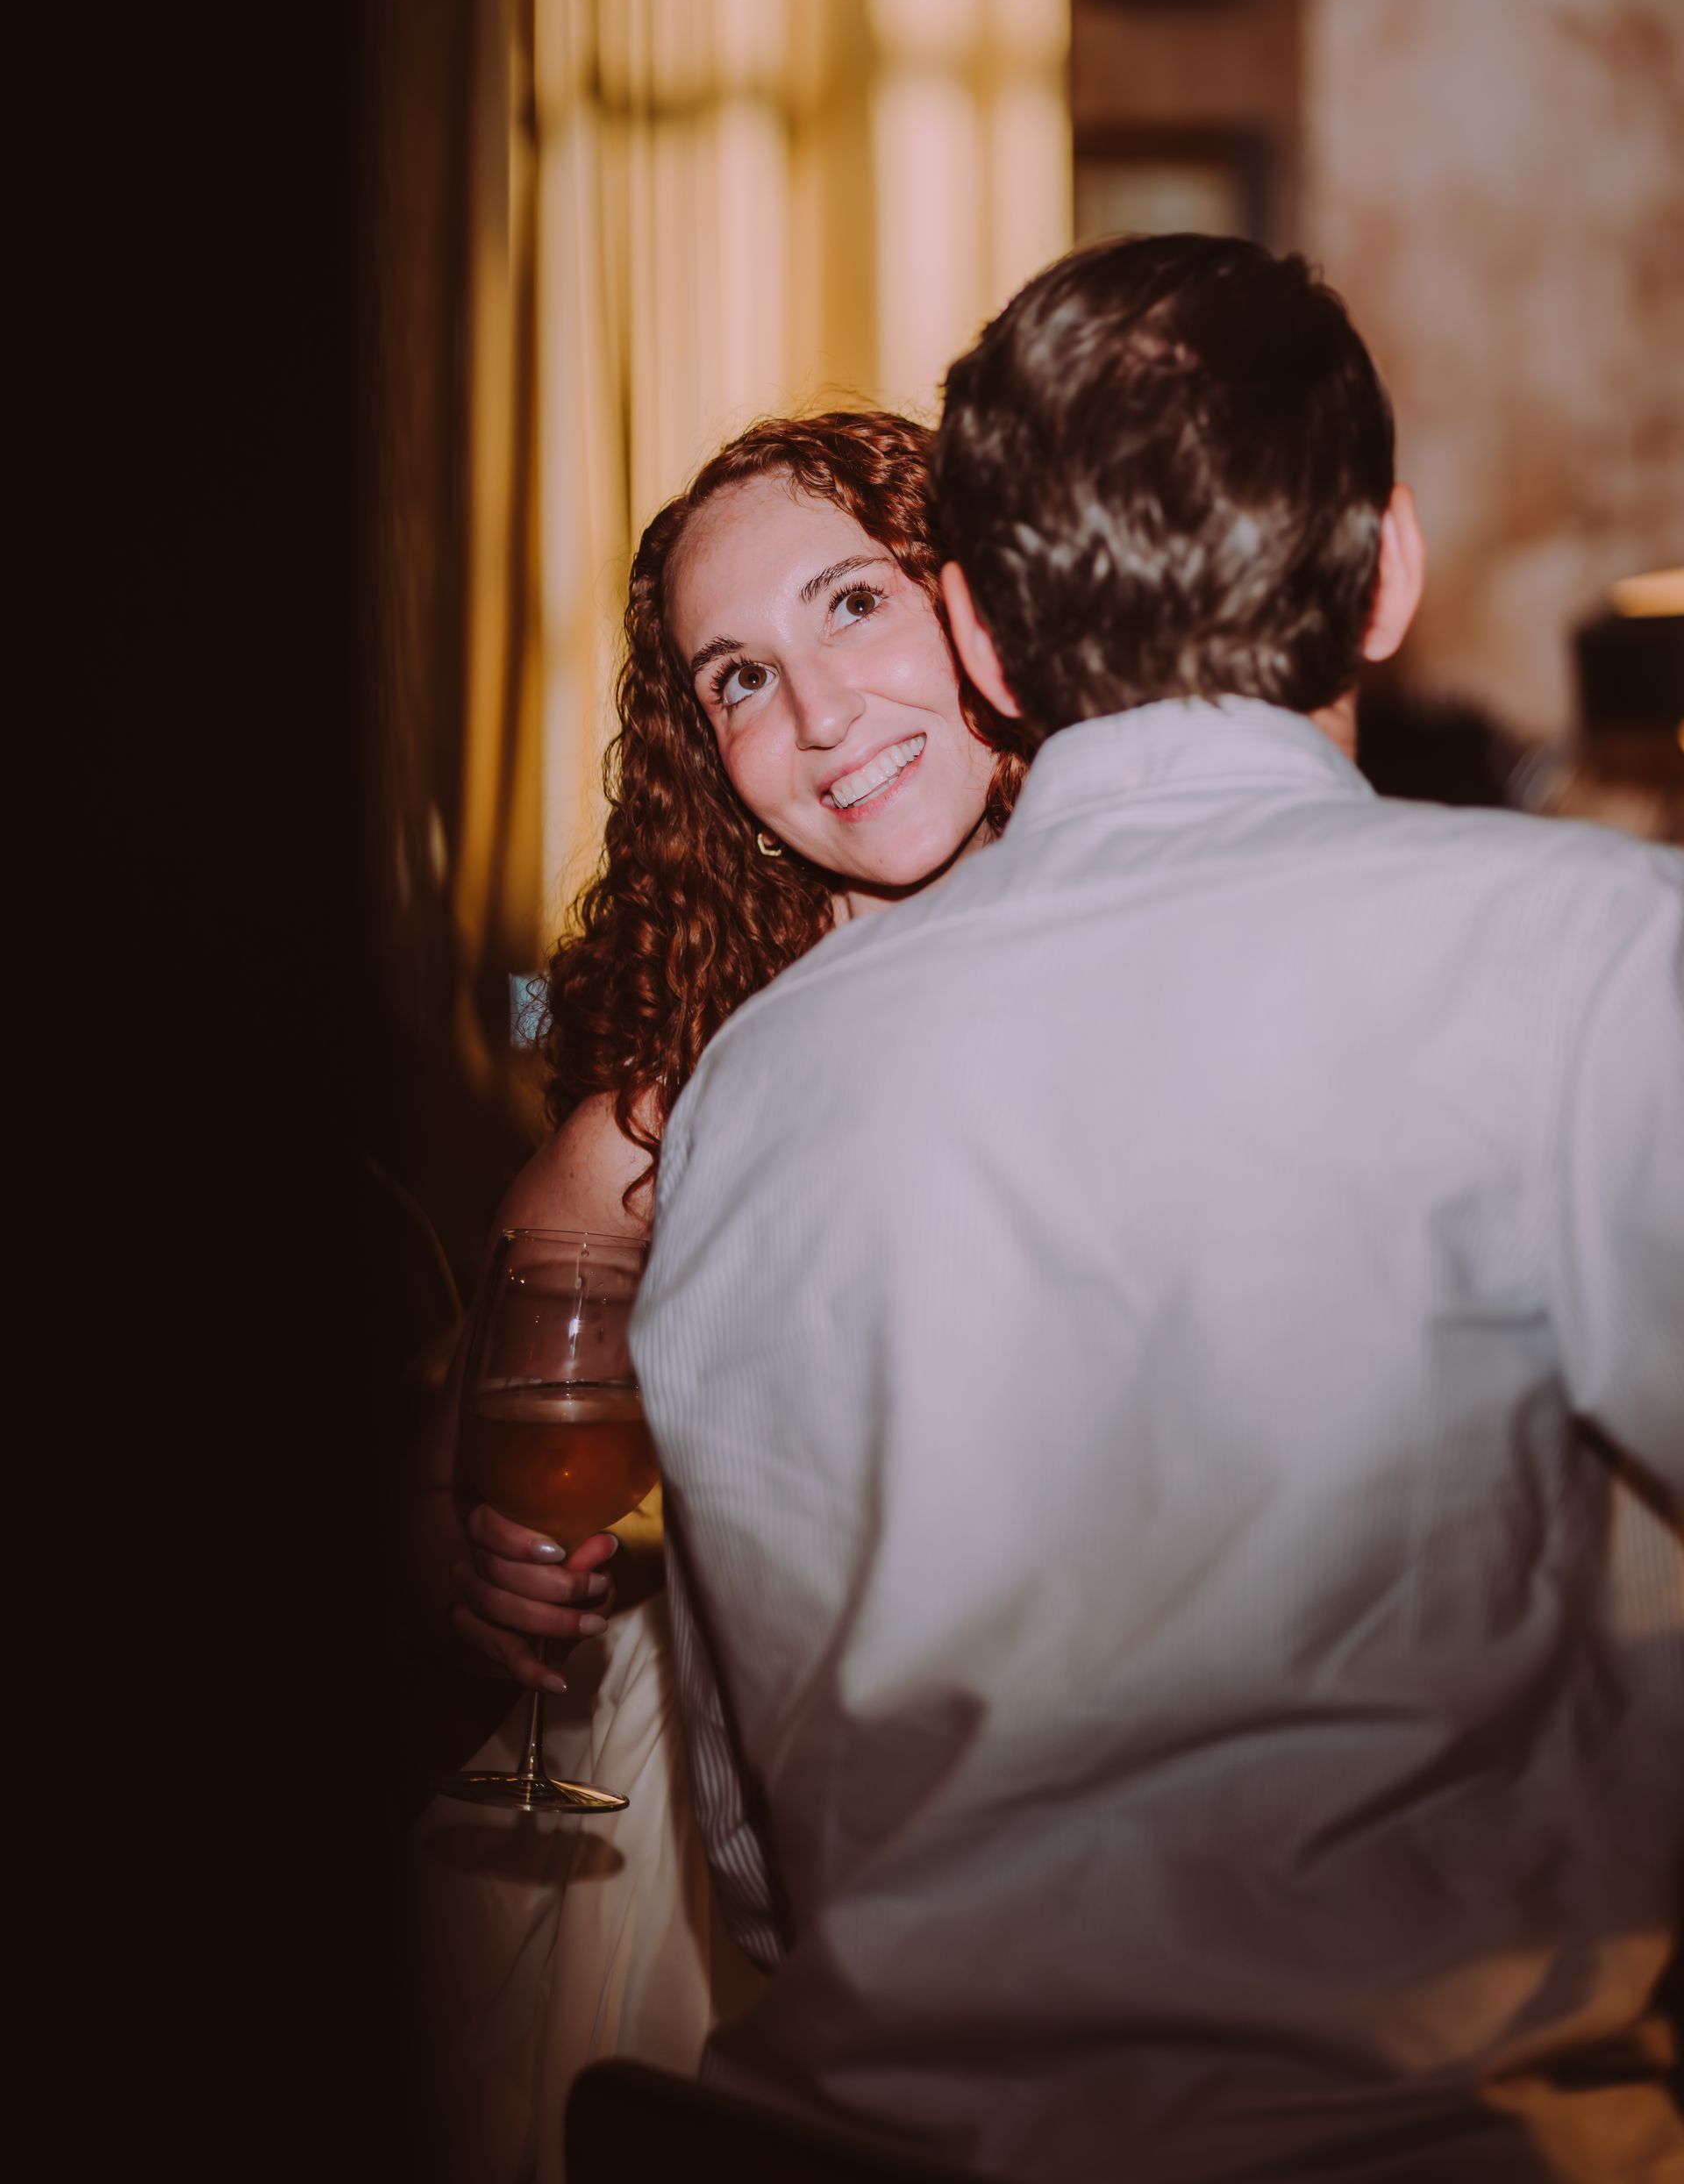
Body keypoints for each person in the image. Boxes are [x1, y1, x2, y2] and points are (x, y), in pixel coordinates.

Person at [628, 236, 1684, 2184]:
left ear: (985, 645)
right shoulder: (1595, 956)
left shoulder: (752, 1095)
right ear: (1388, 574)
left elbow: (751, 1849)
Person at [406, 411, 1024, 2184]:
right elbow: (435, 1483)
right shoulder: (668, 1109)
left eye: (853, 606)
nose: (822, 715)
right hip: (761, 1876)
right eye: (741, 677)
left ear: (980, 611)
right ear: (706, 753)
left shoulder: (1168, 958)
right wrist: (478, 1563)